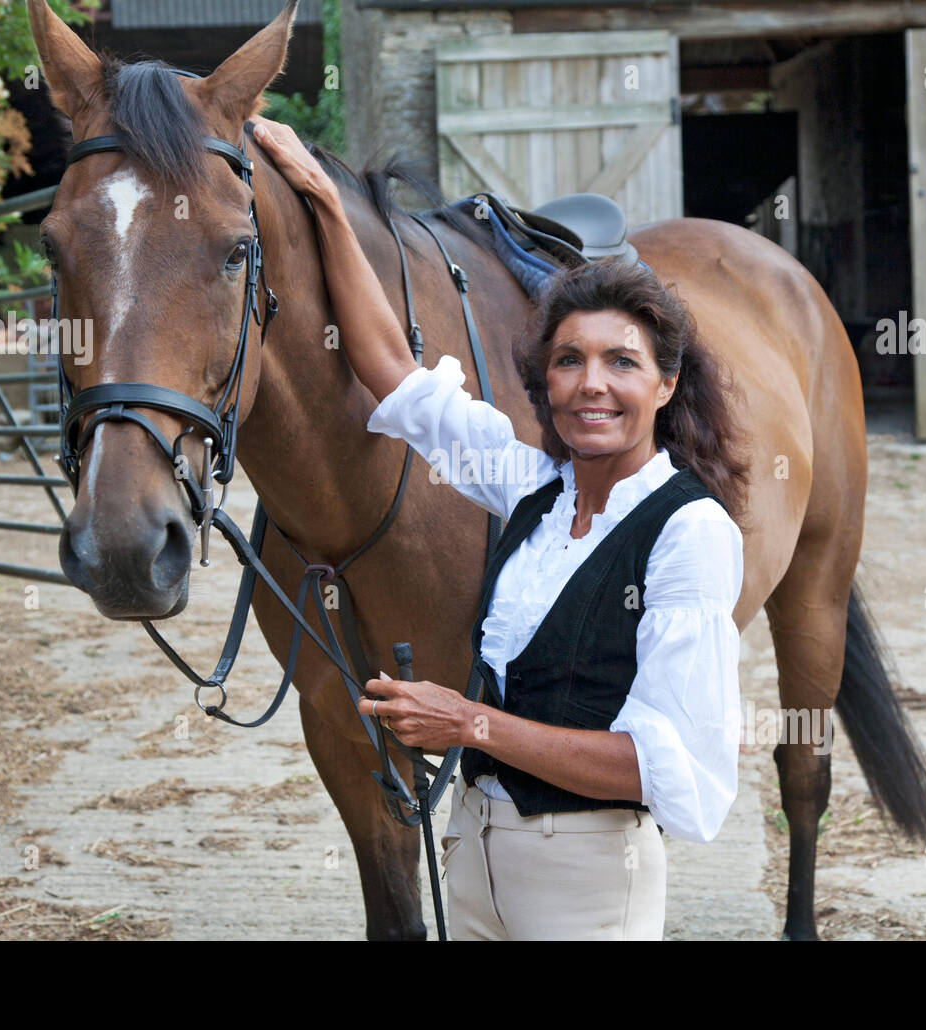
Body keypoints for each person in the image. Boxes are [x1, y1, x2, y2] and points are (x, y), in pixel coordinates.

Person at [248, 116, 749, 941]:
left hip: (586, 883)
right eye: (568, 361)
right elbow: (390, 372)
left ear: (665, 385)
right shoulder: (533, 489)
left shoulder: (687, 534)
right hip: (474, 865)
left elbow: (672, 771)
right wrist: (324, 203)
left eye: (622, 362)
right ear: (542, 384)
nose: (593, 386)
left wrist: (468, 724)